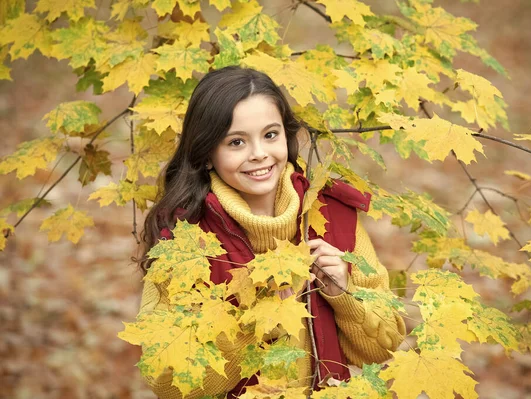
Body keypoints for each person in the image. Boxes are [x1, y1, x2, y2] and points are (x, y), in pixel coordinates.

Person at [136, 66, 406, 399]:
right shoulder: (183, 240)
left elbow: (385, 346)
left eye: (270, 135)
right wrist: (255, 317)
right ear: (207, 154)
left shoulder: (332, 216)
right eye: (236, 142)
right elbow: (167, 380)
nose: (259, 154)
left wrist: (343, 295)